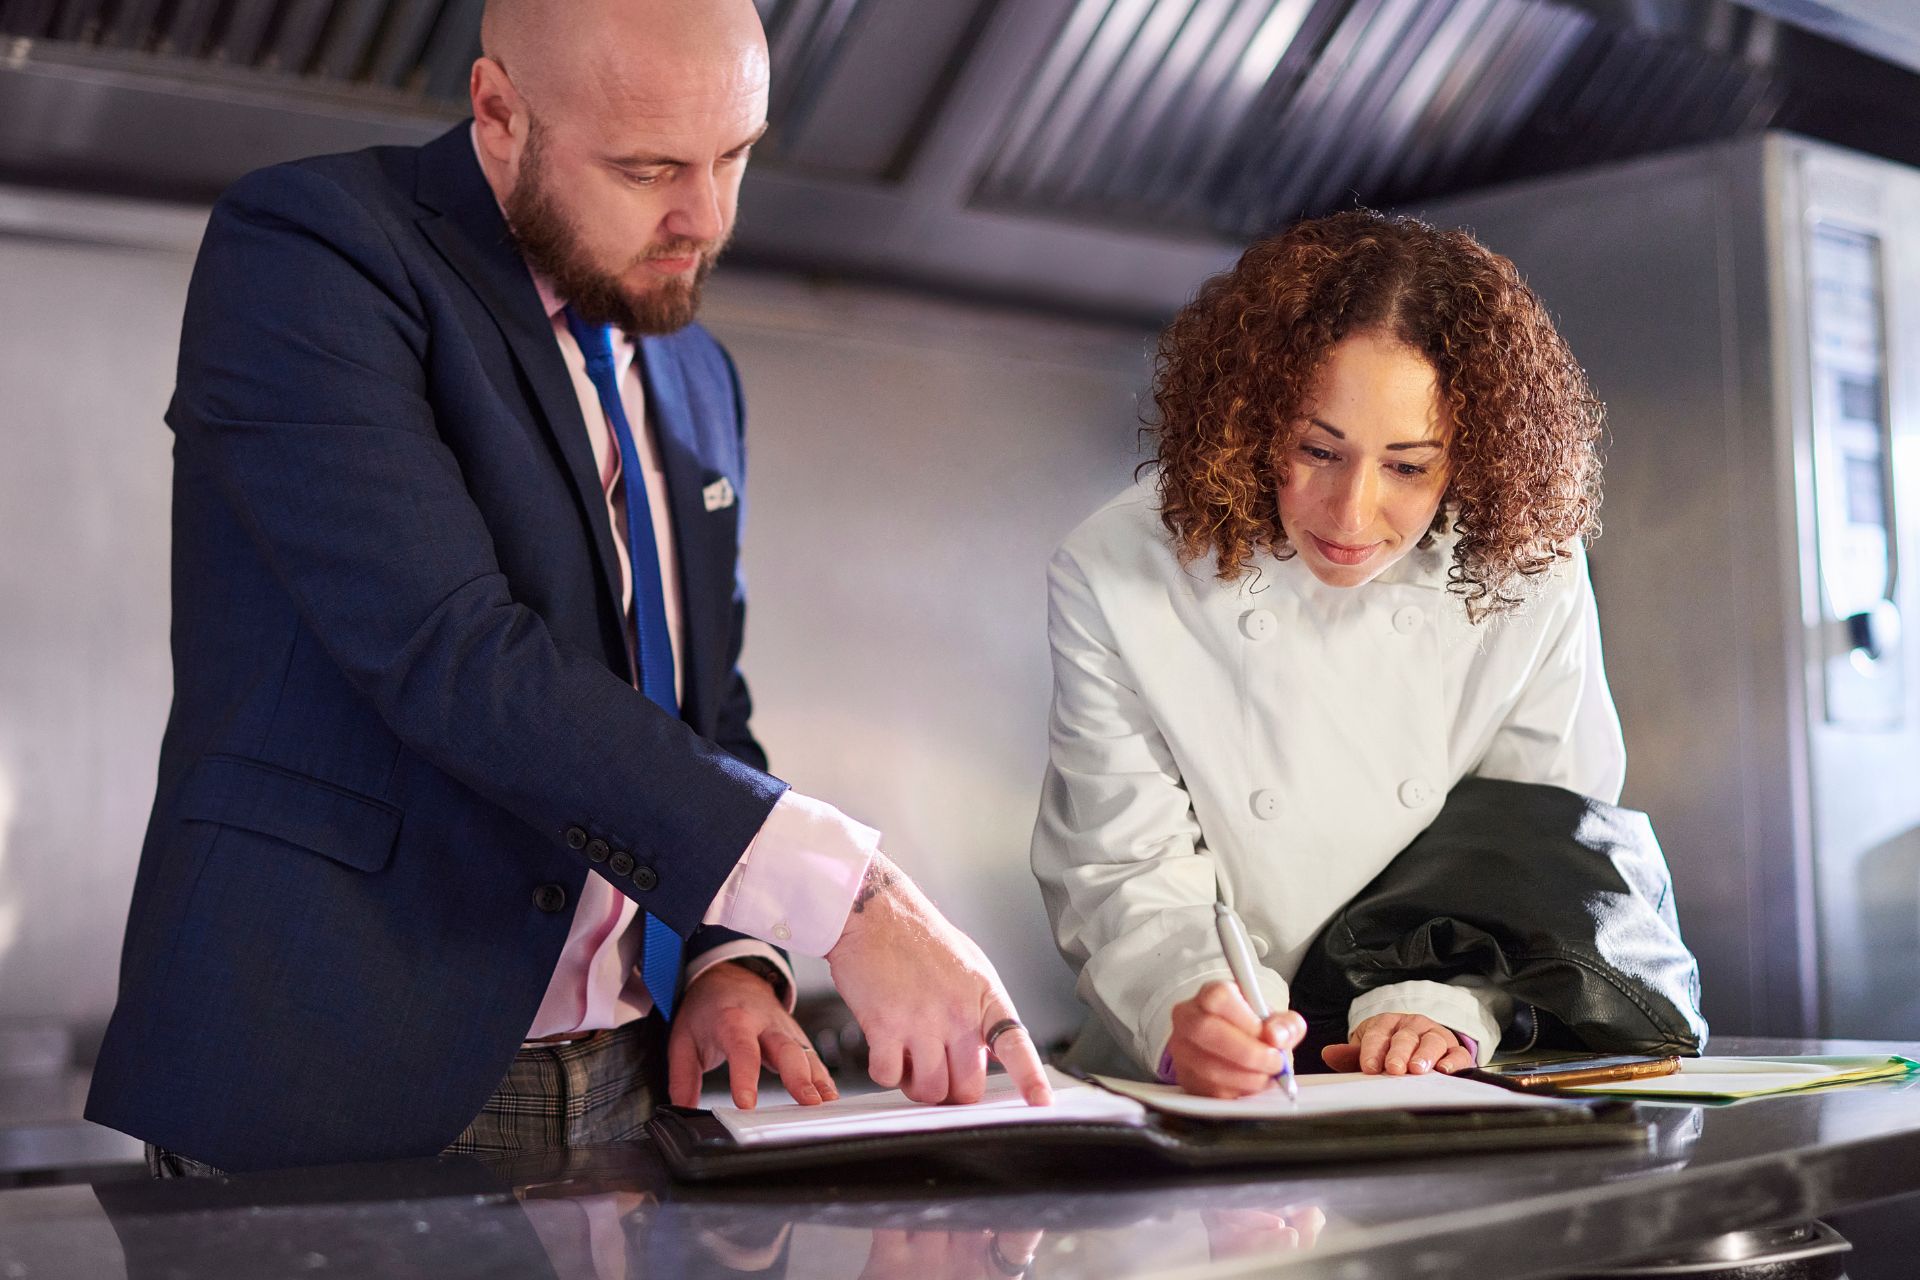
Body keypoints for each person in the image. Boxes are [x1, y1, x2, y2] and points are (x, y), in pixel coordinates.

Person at [86, 0, 1049, 1176]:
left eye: (735, 155)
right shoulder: (315, 253)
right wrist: (852, 897)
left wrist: (729, 957)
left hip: (632, 1085)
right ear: (499, 111)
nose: (707, 217)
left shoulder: (696, 374)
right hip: (336, 1073)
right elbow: (457, 656)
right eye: (649, 169)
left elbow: (703, 714)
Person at [1030, 210, 1625, 1097]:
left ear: (1470, 453)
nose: (1350, 514)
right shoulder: (1121, 568)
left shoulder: (1526, 566)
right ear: (1251, 414)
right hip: (1197, 1084)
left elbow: (1536, 834)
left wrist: (1442, 1006)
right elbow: (1122, 863)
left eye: (1409, 467)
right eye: (1318, 450)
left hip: (1430, 1074)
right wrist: (1193, 1007)